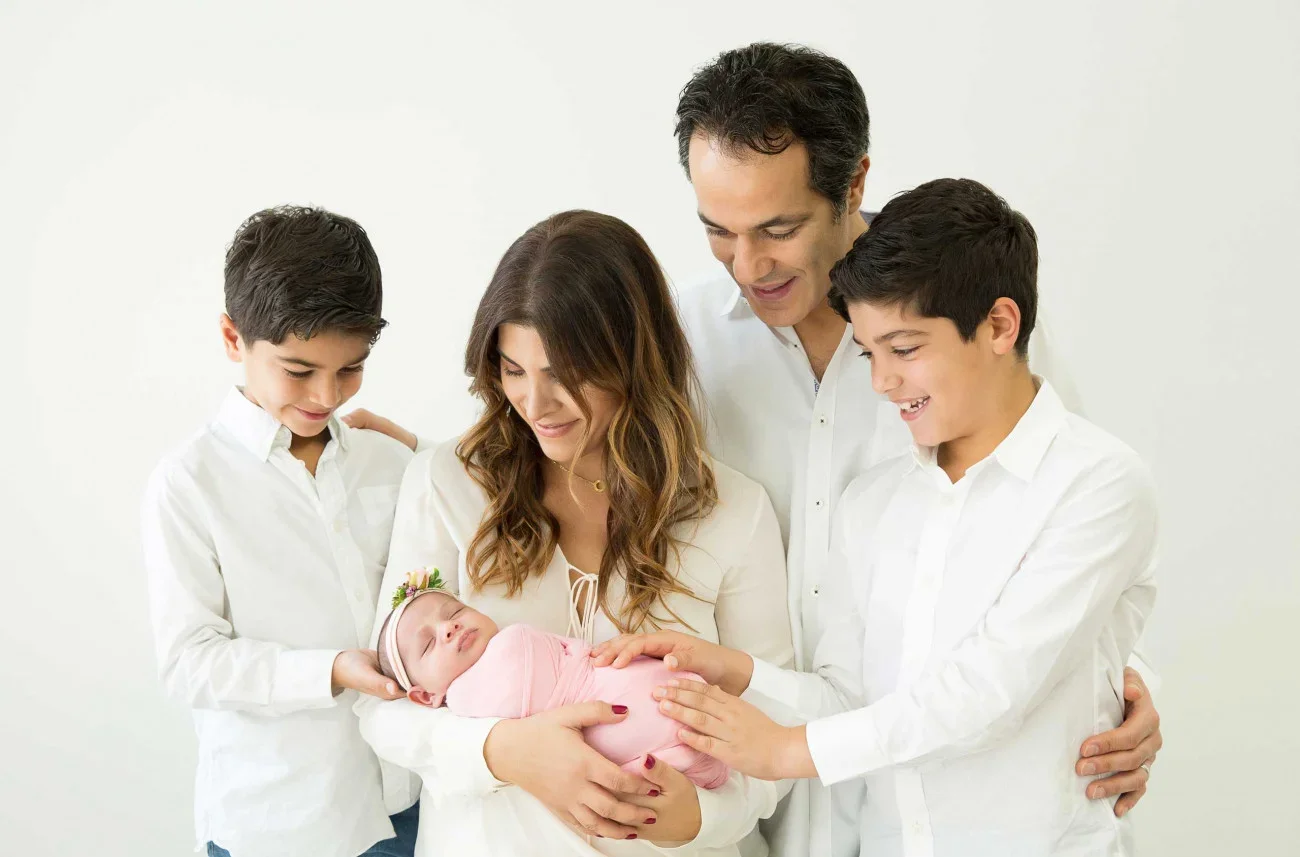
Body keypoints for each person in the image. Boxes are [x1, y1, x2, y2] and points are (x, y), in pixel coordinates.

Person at [597, 178, 1159, 856]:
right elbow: (850, 698)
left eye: (906, 348)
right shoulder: (875, 504)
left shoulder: (1097, 482)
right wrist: (739, 672)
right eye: (870, 353)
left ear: (1000, 326)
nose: (881, 382)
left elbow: (990, 689)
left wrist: (786, 750)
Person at [354, 210, 794, 856]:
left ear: (633, 360)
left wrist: (697, 816)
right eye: (513, 369)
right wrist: (502, 750)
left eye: (564, 372)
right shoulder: (446, 483)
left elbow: (777, 726)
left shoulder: (734, 512)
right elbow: (381, 704)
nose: (535, 403)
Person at [141, 206, 420, 857]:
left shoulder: (389, 461)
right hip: (279, 824)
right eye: (299, 370)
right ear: (233, 338)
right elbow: (189, 662)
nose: (327, 393)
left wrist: (423, 451)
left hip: (404, 802)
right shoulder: (189, 483)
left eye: (350, 367)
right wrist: (331, 671)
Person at [374, 570, 730, 788]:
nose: (448, 628)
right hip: (633, 743)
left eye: (454, 612)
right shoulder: (464, 706)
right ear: (425, 697)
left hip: (655, 685)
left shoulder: (506, 639)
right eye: (428, 644)